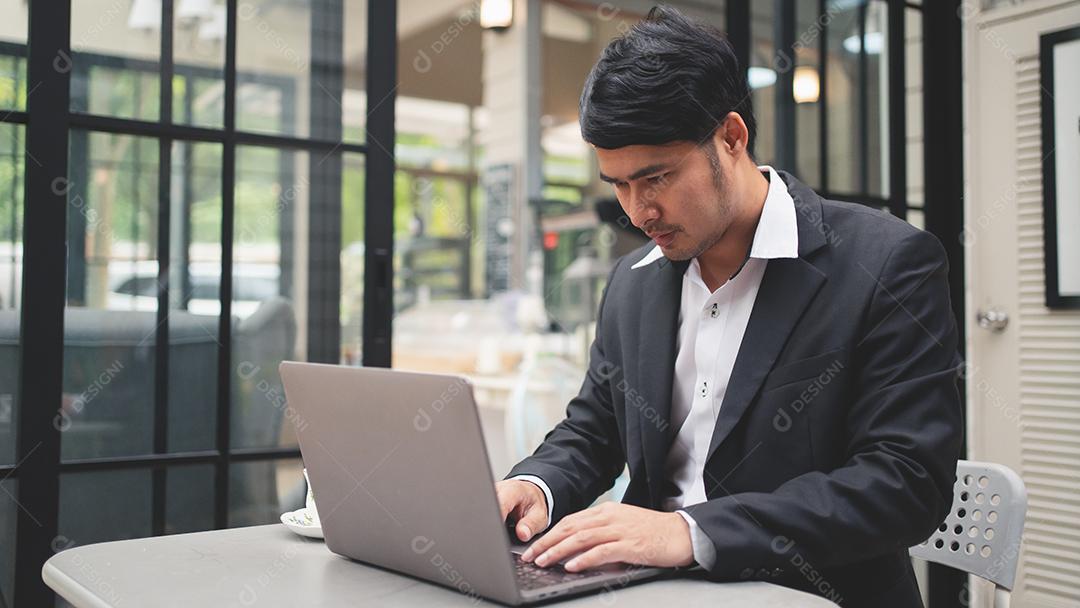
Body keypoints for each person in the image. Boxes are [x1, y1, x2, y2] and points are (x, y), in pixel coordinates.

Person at [494, 6, 963, 607]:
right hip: (643, 591)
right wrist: (539, 485)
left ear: (732, 137)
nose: (638, 213)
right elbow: (595, 429)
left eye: (656, 177)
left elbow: (905, 484)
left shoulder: (888, 264)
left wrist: (689, 532)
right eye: (618, 185)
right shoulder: (633, 283)